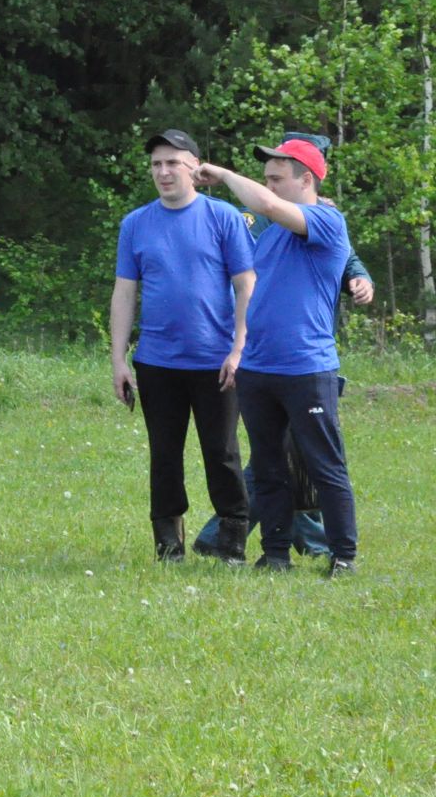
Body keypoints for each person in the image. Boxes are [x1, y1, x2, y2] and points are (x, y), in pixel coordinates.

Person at [191, 130, 372, 561]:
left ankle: (342, 556)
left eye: (277, 178)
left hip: (306, 368)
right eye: (266, 179)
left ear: (305, 179)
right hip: (258, 368)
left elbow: (268, 205)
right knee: (270, 469)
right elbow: (256, 222)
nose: (269, 186)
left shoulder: (329, 222)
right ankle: (274, 557)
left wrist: (223, 172)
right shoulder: (270, 234)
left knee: (325, 468)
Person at [109, 129, 256, 562]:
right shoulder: (135, 224)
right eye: (156, 164)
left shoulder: (224, 217)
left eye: (173, 162)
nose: (163, 171)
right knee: (165, 453)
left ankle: (231, 541)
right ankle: (168, 544)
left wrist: (238, 348)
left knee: (222, 451)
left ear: (195, 166)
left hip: (216, 361)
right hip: (157, 361)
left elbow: (247, 286)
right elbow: (124, 293)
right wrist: (118, 358)